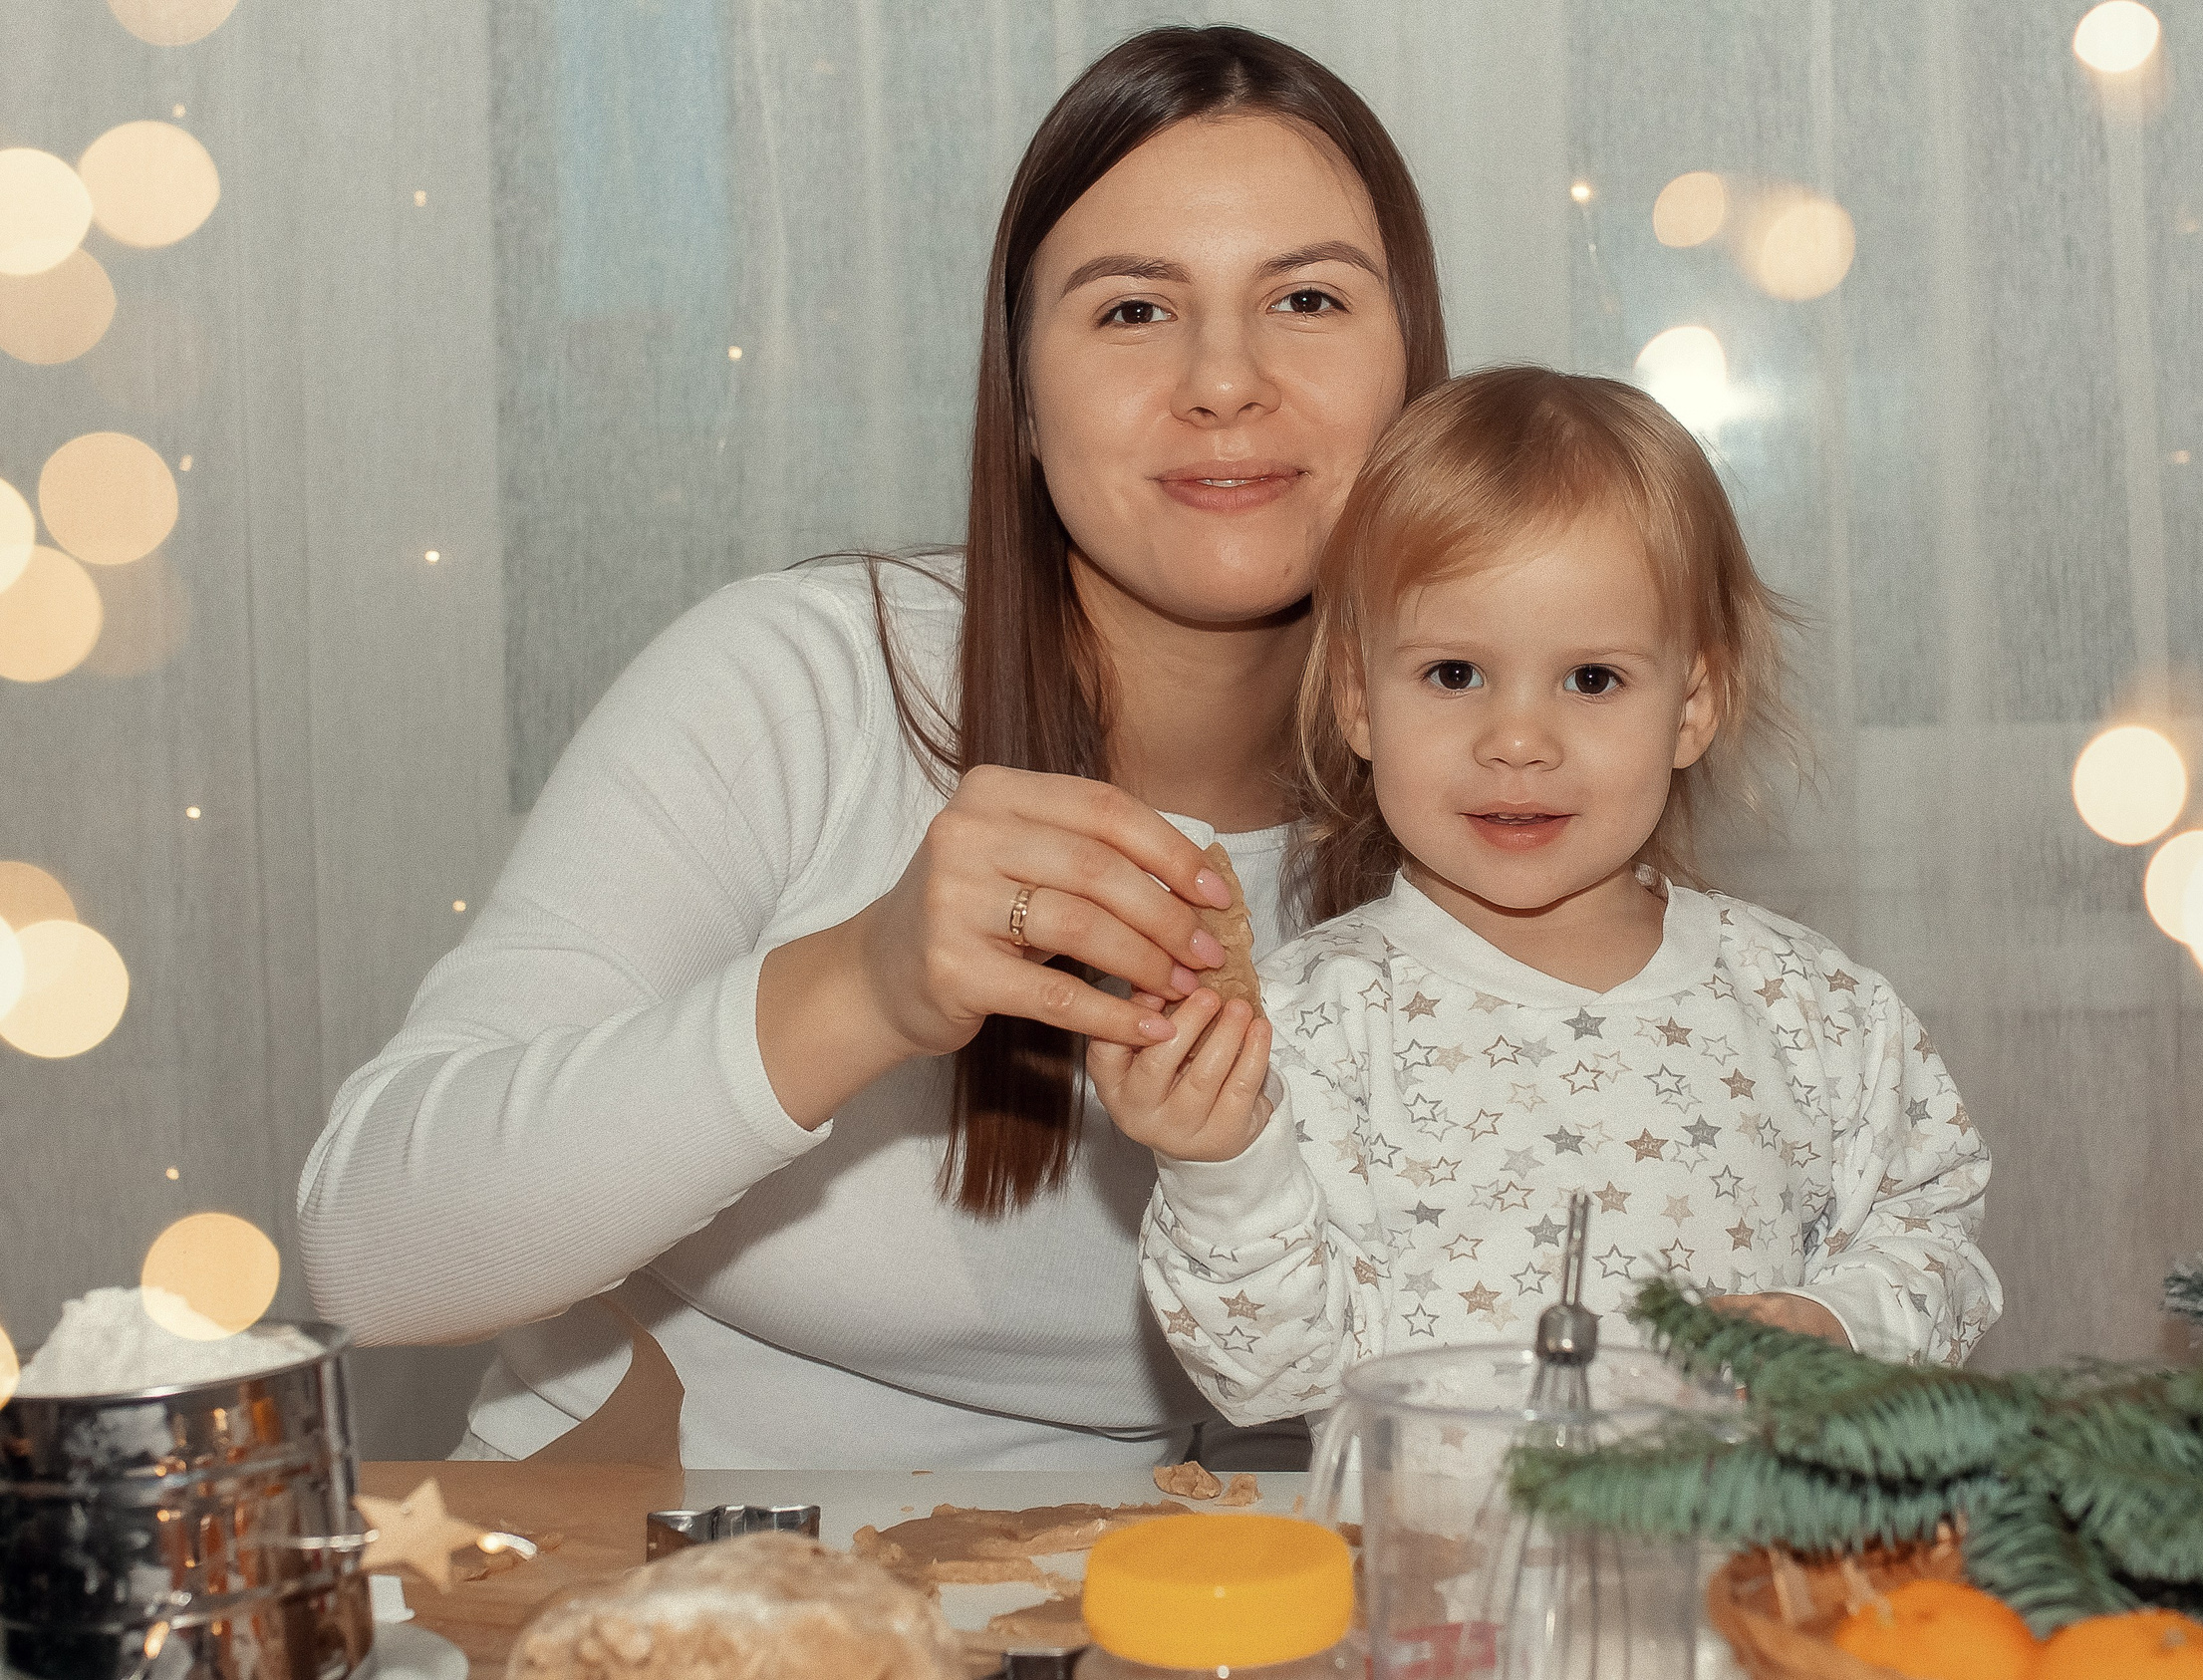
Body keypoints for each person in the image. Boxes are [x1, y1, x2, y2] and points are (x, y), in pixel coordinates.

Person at [296, 25, 1448, 1468]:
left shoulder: (1530, 784)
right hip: (653, 1563)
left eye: (1308, 297)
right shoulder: (796, 680)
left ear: (1414, 367)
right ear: (1022, 393)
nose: (1226, 379)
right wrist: (863, 980)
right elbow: (373, 1247)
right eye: (1133, 311)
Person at [1089, 368, 2003, 1424]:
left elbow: (1939, 1247)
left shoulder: (1816, 1009)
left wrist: (1842, 1325)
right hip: (1430, 1568)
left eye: (1591, 680)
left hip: (1734, 1570)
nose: (1517, 741)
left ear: (1692, 704)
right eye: (1453, 675)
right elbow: (1266, 1383)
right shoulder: (1301, 1030)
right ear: (1357, 699)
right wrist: (1217, 1165)